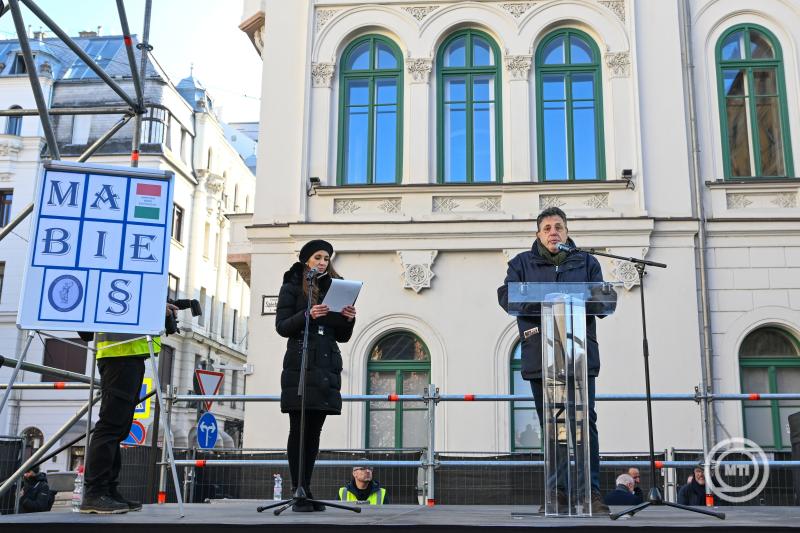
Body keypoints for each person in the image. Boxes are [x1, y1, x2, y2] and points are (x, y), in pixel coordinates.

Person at [497, 207, 616, 514]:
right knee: (554, 426)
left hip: (579, 356)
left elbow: (601, 302)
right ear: (538, 234)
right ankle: (558, 493)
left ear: (566, 232)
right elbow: (508, 297)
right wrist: (553, 298)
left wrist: (566, 298)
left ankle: (591, 492)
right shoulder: (522, 263)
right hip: (542, 355)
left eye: (559, 227)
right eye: (547, 227)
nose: (553, 232)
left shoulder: (586, 261)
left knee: (585, 424)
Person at [276, 240, 356, 512]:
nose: (323, 262)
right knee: (299, 429)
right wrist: (307, 314)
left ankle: (306, 489)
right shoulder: (291, 287)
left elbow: (342, 337)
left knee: (315, 432)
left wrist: (348, 318)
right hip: (301, 364)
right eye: (318, 257)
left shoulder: (335, 287)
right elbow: (282, 327)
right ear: (306, 260)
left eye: (327, 258)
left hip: (325, 366)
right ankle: (297, 489)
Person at [78, 303, 177, 514]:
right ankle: (95, 493)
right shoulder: (120, 281)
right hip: (119, 356)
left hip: (127, 356)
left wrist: (159, 307)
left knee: (119, 428)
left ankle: (108, 490)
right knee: (111, 426)